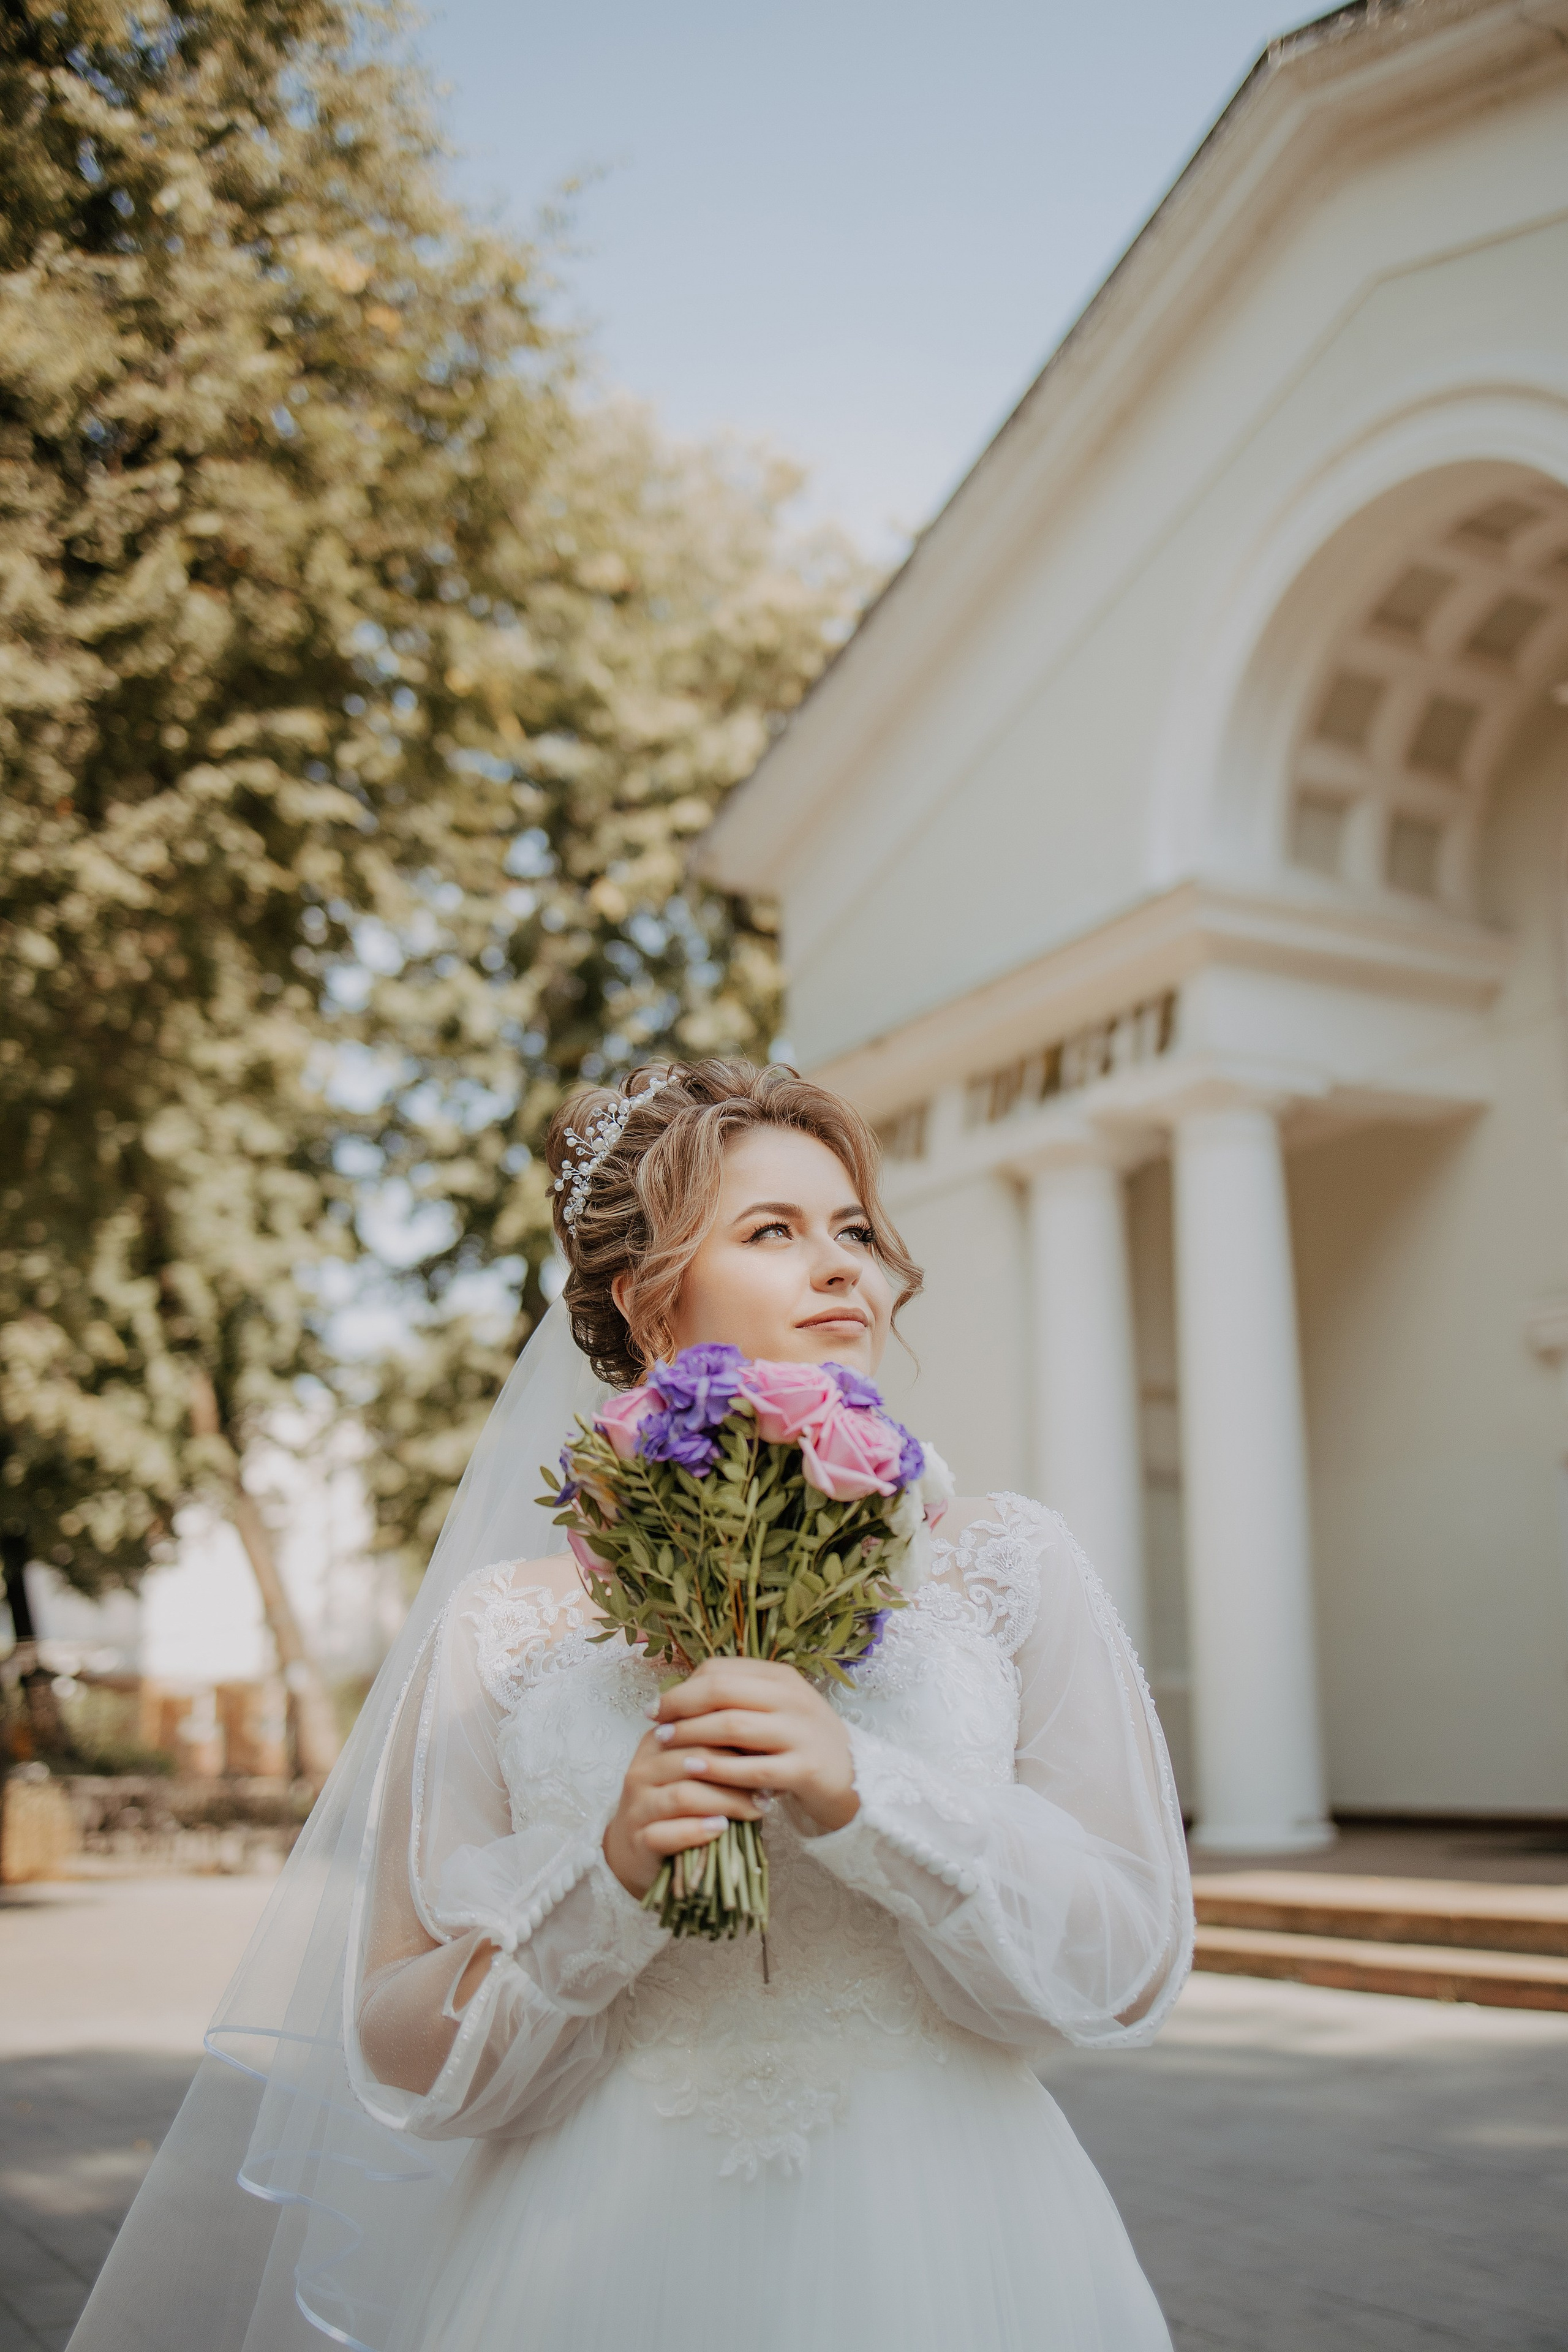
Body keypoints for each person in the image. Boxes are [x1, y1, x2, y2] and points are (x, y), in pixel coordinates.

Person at [68, 1059, 1191, 2352]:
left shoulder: (1002, 1568)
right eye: (773, 1231)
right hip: (585, 2255)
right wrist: (602, 1881)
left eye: (856, 1233)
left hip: (959, 2241)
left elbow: (1126, 1961)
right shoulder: (508, 1627)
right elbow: (393, 2040)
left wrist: (865, 1797)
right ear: (646, 1305)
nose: (844, 1268)